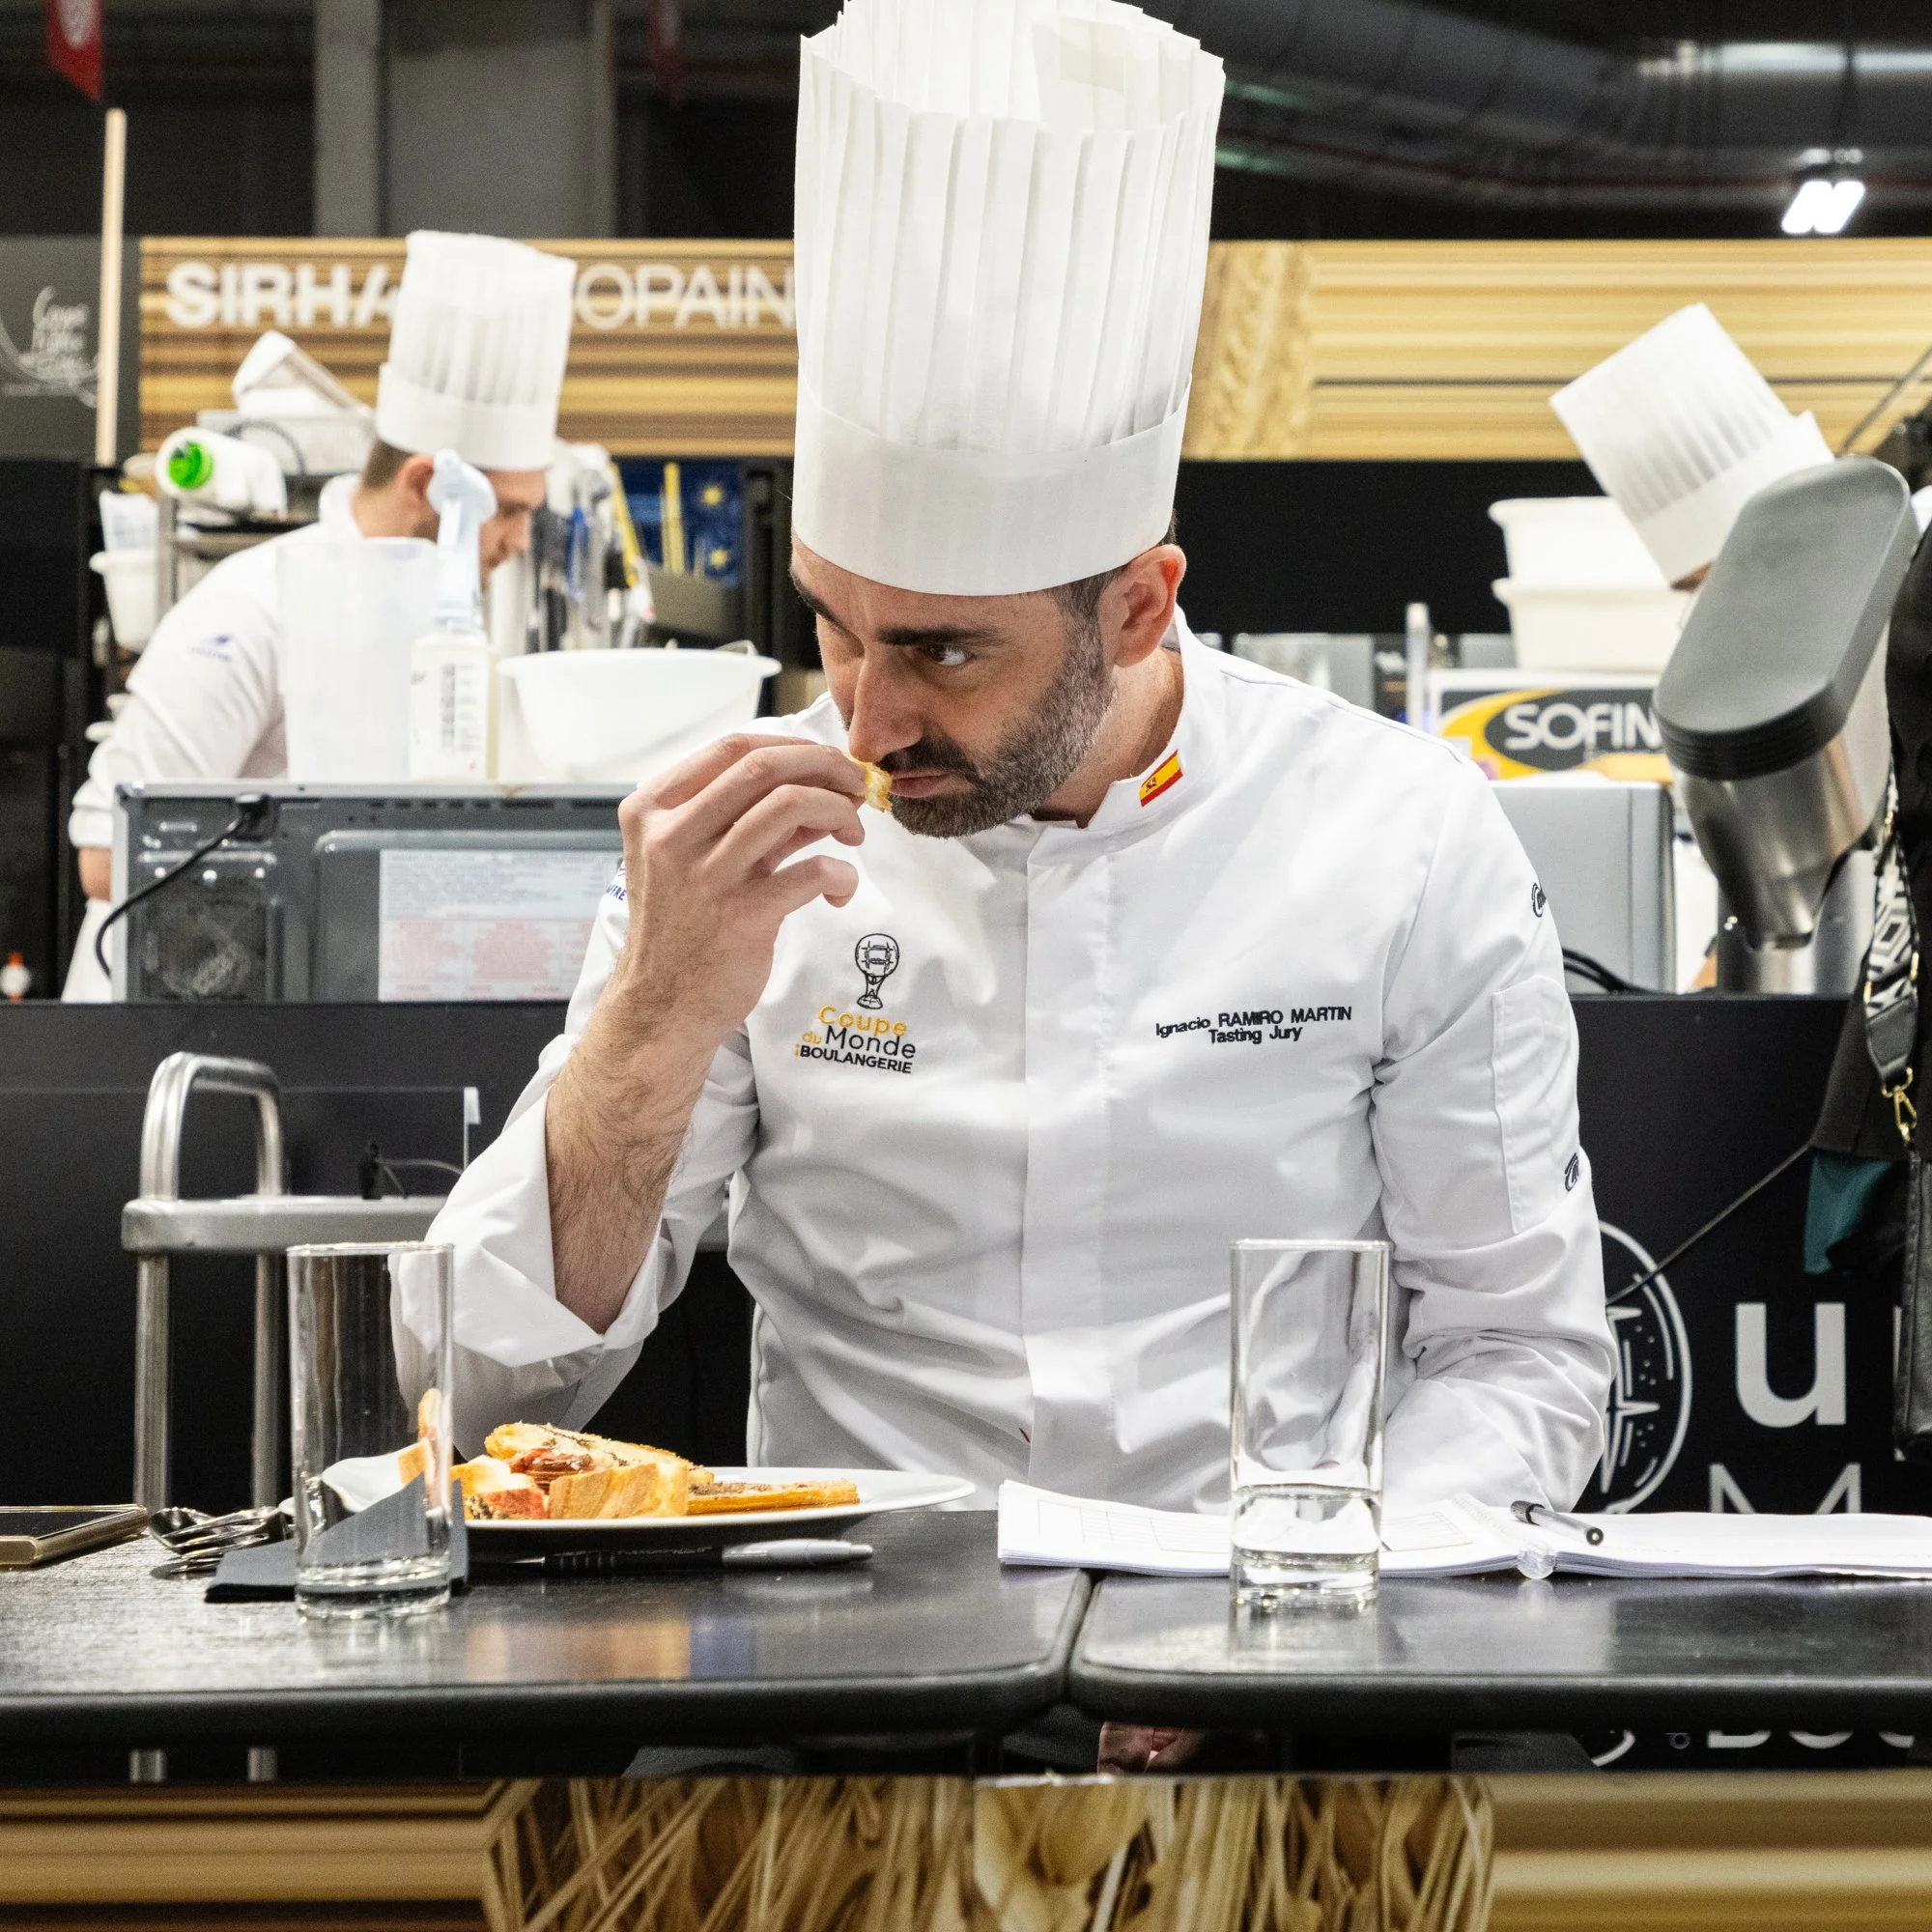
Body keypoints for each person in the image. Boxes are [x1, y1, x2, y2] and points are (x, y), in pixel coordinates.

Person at [431, 0, 1611, 1520]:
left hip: (1268, 1613)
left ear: (1137, 609)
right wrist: (655, 1017)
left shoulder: (1402, 839)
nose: (866, 722)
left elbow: (1518, 1359)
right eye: (834, 628)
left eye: (944, 652)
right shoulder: (732, 853)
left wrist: (1319, 1586)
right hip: (855, 1628)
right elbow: (487, 1387)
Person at [63, 229, 575, 999]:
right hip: (166, 1027)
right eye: (506, 509)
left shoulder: (458, 634)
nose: (520, 540)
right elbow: (108, 856)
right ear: (425, 484)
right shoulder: (250, 610)